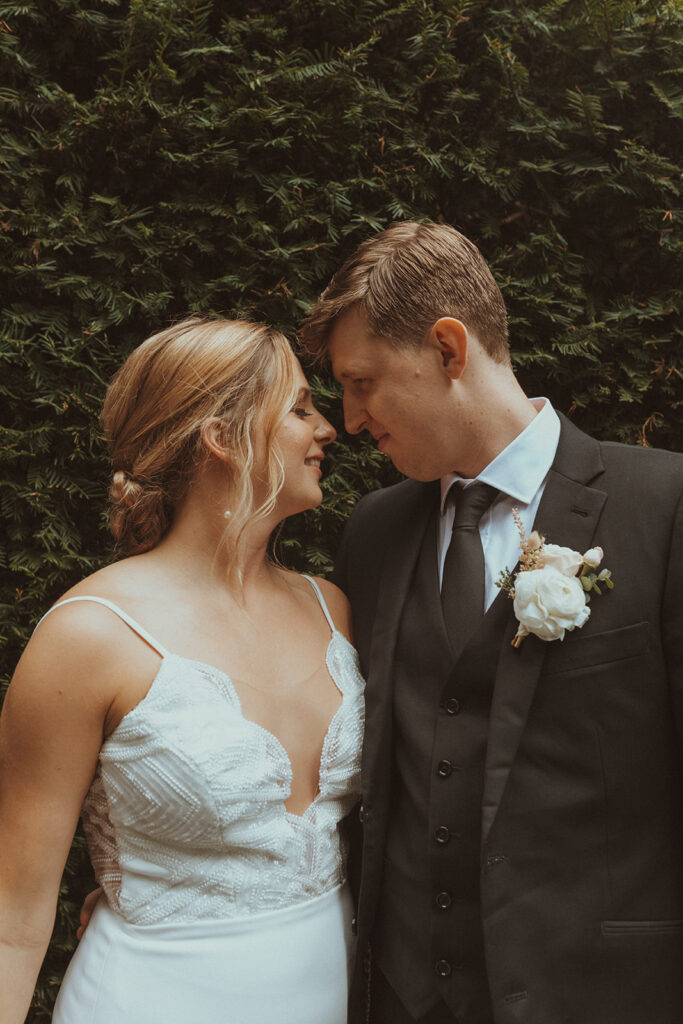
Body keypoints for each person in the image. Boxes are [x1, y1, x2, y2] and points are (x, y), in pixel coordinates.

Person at [300, 221, 683, 1024]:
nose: (351, 416)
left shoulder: (663, 506)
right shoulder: (371, 532)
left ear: (447, 348)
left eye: (361, 381)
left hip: (601, 995)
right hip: (404, 996)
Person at [0, 316, 365, 1024]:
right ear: (222, 439)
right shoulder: (91, 635)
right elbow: (13, 915)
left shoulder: (335, 609)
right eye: (298, 407)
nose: (327, 428)